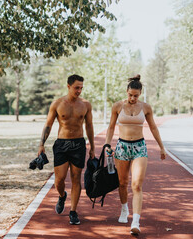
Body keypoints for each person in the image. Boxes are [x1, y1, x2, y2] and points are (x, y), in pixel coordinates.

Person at [104, 74, 166, 235]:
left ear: (140, 94)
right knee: (122, 183)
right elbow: (111, 127)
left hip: (139, 147)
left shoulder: (146, 107)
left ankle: (136, 222)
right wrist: (107, 144)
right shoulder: (117, 106)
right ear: (126, 91)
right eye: (130, 95)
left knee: (136, 184)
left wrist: (161, 147)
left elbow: (153, 127)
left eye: (136, 96)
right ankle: (124, 209)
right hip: (122, 147)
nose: (132, 98)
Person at [38, 74, 95, 225]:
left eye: (81, 88)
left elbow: (89, 126)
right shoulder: (57, 104)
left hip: (78, 144)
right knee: (59, 179)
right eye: (76, 87)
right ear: (68, 86)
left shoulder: (86, 105)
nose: (79, 91)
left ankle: (73, 211)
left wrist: (92, 147)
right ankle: (62, 195)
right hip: (62, 144)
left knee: (76, 178)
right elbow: (48, 124)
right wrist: (41, 144)